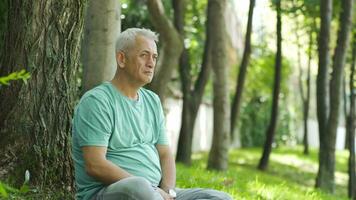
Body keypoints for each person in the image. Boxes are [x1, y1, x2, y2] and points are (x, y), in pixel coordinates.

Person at [72, 28, 232, 200]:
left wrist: (168, 192)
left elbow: (165, 154)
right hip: (110, 192)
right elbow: (95, 165)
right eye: (144, 55)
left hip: (155, 193)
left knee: (218, 197)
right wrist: (153, 191)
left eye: (154, 57)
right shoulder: (97, 101)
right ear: (121, 59)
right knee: (139, 187)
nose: (151, 63)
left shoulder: (152, 101)